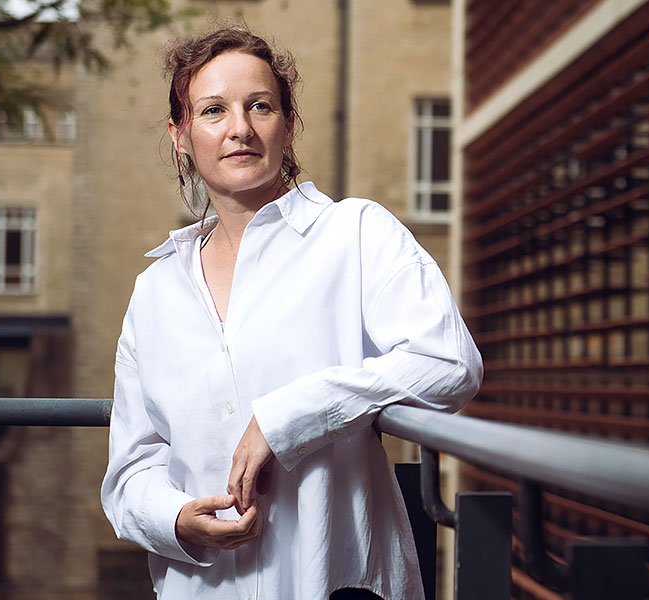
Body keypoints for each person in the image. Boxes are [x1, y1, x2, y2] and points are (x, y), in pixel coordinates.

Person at [101, 25, 482, 600]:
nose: (240, 129)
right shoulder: (155, 291)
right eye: (212, 111)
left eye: (260, 106)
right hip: (201, 586)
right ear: (180, 135)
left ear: (288, 122)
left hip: (333, 581)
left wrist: (287, 421)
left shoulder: (356, 233)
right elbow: (131, 472)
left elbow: (450, 363)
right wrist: (175, 519)